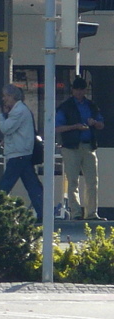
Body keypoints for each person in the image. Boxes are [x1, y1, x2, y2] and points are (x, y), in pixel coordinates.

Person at [56, 76, 106, 221]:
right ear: (73, 90)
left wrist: (94, 122)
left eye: (81, 89)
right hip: (71, 147)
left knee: (92, 181)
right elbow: (57, 128)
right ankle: (76, 213)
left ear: (85, 90)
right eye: (76, 89)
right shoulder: (65, 106)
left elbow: (101, 124)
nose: (79, 92)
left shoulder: (91, 106)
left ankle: (91, 213)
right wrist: (75, 126)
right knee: (72, 181)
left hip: (88, 146)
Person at [0, 83, 43, 220]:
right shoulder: (21, 110)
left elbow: (6, 128)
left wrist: (0, 115)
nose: (4, 99)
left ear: (11, 96)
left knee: (5, 184)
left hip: (18, 154)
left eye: (5, 96)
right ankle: (43, 212)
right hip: (23, 153)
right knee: (32, 185)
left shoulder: (18, 111)